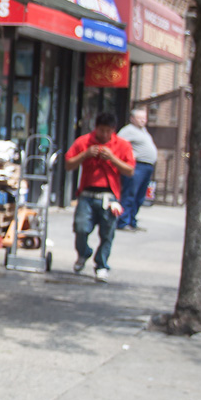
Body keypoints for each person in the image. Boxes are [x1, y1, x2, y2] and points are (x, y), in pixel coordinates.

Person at [65, 112, 135, 282]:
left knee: (107, 233)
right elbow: (68, 164)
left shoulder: (122, 145)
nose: (104, 135)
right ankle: (84, 253)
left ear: (113, 130)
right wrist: (85, 154)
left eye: (107, 131)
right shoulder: (84, 141)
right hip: (87, 194)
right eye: (101, 130)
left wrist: (112, 158)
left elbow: (130, 170)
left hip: (109, 196)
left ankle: (101, 265)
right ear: (95, 128)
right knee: (80, 228)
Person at [116, 107, 158, 231]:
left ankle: (132, 221)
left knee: (139, 197)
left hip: (147, 167)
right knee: (130, 194)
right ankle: (123, 221)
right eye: (140, 118)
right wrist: (127, 156)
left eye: (144, 118)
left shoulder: (143, 130)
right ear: (132, 118)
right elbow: (117, 143)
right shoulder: (128, 130)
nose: (143, 121)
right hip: (136, 166)